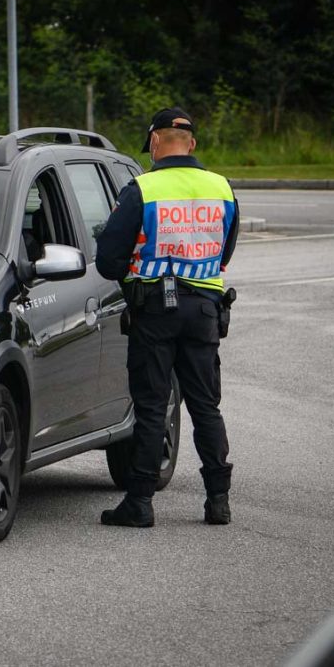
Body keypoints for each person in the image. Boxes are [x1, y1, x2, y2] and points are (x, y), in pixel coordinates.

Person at [94, 107, 239, 528]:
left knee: (153, 405)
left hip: (155, 310)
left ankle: (139, 504)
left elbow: (108, 261)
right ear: (192, 143)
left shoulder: (142, 189)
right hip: (205, 310)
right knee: (206, 406)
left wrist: (137, 272)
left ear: (154, 143)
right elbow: (224, 251)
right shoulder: (222, 188)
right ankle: (218, 502)